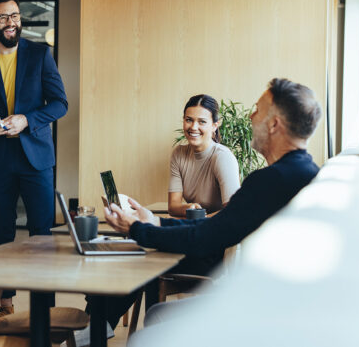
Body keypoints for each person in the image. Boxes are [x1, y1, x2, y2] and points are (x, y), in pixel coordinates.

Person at [97, 78, 322, 332]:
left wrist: (137, 228)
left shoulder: (274, 180)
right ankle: (94, 327)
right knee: (156, 312)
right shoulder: (303, 172)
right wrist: (156, 221)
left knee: (155, 319)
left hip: (265, 310)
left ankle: (93, 328)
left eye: (257, 109)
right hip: (277, 302)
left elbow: (207, 235)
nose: (250, 116)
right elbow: (212, 226)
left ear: (274, 124)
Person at [0, 0, 68, 319]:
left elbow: (59, 103)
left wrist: (27, 119)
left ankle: (43, 310)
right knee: (4, 234)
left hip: (36, 159)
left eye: (15, 16)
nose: (11, 23)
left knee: (41, 235)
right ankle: (5, 304)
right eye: (4, 17)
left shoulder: (40, 55)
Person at [167, 94, 240, 217]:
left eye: (202, 122)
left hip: (220, 228)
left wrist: (201, 219)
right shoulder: (178, 154)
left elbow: (234, 211)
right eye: (189, 120)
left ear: (214, 126)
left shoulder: (222, 157)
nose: (194, 127)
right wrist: (188, 207)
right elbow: (173, 207)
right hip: (197, 226)